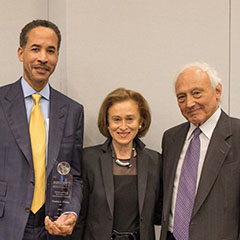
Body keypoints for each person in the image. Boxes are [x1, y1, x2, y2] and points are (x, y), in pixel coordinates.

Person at [0, 20, 84, 240]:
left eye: (51, 51)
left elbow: (74, 174)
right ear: (21, 53)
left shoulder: (73, 111)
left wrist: (70, 212)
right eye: (35, 49)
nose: (43, 58)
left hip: (52, 225)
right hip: (6, 224)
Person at [160, 62, 240, 240]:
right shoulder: (171, 138)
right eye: (181, 97)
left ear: (217, 91)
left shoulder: (238, 135)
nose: (189, 103)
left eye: (196, 93)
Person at [70, 88, 162, 240]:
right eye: (117, 119)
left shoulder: (155, 161)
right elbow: (79, 217)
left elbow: (159, 214)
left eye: (130, 119)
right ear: (107, 123)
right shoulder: (88, 159)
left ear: (141, 121)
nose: (123, 126)